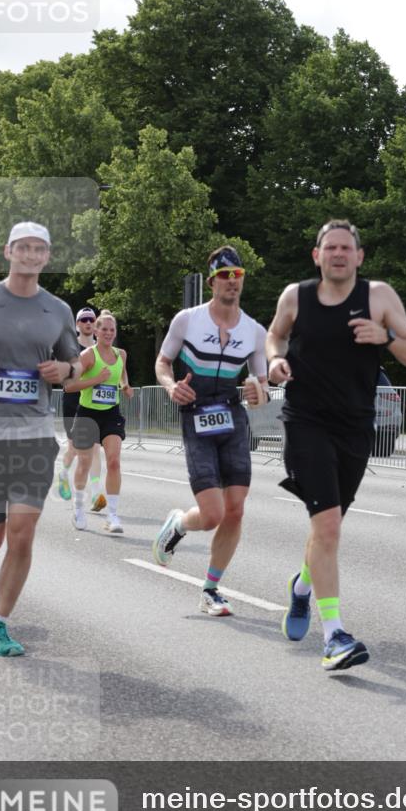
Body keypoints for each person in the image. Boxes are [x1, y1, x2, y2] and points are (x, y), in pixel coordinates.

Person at [267, 219, 406, 671]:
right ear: (316, 256)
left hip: (356, 427)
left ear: (359, 256)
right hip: (305, 422)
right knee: (330, 527)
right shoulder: (296, 296)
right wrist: (275, 360)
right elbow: (275, 334)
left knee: (326, 530)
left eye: (346, 248)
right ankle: (334, 635)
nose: (338, 254)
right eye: (329, 247)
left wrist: (387, 337)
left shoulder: (379, 297)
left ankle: (301, 587)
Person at [0, 221, 81, 656]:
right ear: (7, 251)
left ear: (46, 257)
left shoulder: (58, 310)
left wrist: (65, 372)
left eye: (38, 249)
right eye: (22, 247)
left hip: (34, 434)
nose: (30, 254)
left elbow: (76, 367)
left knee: (22, 535)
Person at [152, 246, 268, 617]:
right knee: (213, 514)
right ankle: (180, 524)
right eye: (225, 275)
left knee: (235, 511)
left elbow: (261, 387)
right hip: (196, 414)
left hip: (231, 418)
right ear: (212, 281)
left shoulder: (253, 331)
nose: (232, 282)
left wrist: (256, 391)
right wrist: (171, 387)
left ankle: (211, 589)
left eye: (238, 275)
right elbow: (163, 362)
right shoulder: (187, 320)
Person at [63, 310, 133, 533]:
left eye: (112, 330)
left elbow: (121, 376)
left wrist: (125, 387)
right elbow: (69, 386)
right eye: (104, 329)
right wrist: (96, 379)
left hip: (111, 414)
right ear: (96, 331)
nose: (108, 333)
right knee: (84, 463)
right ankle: (79, 508)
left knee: (114, 462)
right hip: (87, 414)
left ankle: (112, 516)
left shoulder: (121, 354)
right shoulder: (88, 356)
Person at [56, 307, 105, 510]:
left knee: (95, 449)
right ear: (77, 325)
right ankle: (64, 473)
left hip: (93, 403)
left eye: (91, 319)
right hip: (73, 401)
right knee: (75, 449)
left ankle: (95, 495)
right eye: (83, 319)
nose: (87, 322)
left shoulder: (101, 348)